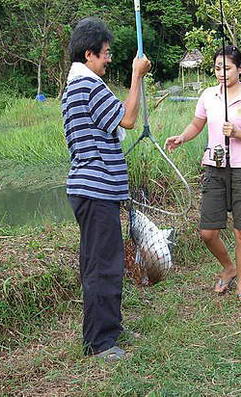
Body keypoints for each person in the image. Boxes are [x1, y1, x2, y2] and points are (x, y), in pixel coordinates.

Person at [62, 17, 151, 360]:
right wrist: (136, 76)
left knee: (100, 263)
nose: (108, 59)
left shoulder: (77, 85)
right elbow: (127, 119)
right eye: (106, 54)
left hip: (93, 190)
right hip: (95, 190)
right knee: (104, 266)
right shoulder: (87, 86)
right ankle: (101, 343)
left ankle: (108, 331)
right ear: (89, 54)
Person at [165, 45, 241, 302]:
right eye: (218, 68)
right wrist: (182, 137)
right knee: (207, 232)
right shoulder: (208, 95)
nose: (222, 73)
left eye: (228, 68)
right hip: (214, 166)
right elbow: (197, 123)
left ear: (240, 69)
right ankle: (228, 267)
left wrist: (237, 133)